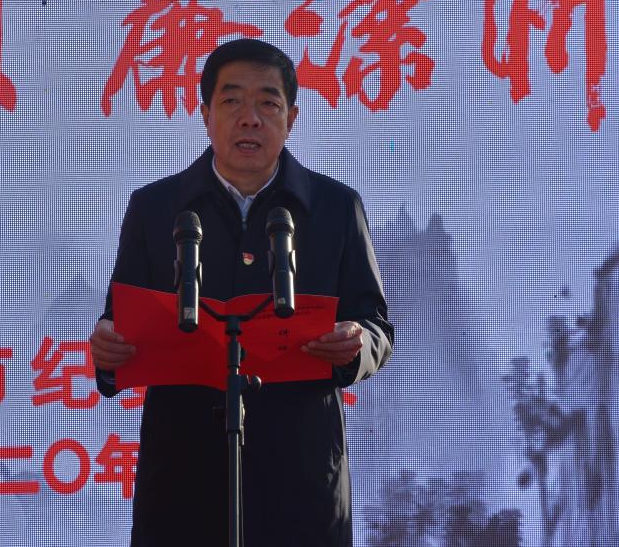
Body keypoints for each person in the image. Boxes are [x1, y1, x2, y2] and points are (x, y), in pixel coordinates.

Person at [89, 38, 394, 546]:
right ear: (205, 114)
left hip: (300, 475)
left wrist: (358, 343)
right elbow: (118, 325)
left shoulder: (336, 208)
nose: (249, 118)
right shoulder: (155, 209)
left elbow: (377, 326)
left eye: (268, 103)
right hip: (184, 476)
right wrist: (107, 348)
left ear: (291, 118)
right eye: (231, 100)